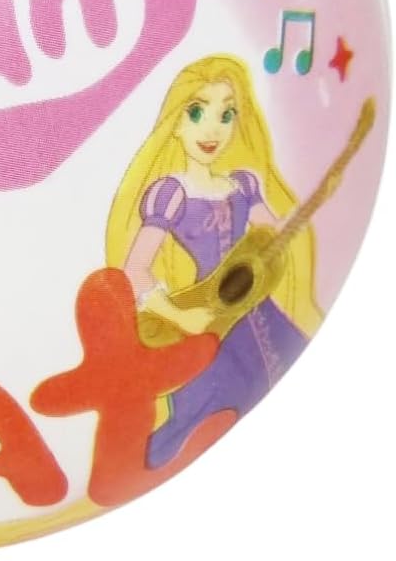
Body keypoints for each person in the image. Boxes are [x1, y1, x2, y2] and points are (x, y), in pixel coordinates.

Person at [105, 54, 322, 468]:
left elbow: (272, 232)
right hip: (205, 320)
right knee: (203, 415)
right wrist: (179, 316)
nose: (212, 129)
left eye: (226, 114)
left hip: (258, 310)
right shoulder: (171, 193)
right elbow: (134, 269)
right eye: (197, 112)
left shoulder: (242, 184)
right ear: (176, 123)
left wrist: (310, 205)